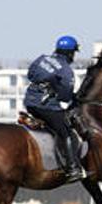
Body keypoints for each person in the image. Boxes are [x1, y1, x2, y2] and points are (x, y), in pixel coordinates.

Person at [24, 35, 85, 182]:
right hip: (46, 106)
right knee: (67, 133)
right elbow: (65, 97)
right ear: (70, 53)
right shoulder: (66, 71)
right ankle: (73, 168)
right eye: (74, 53)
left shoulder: (42, 59)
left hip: (30, 102)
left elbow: (30, 75)